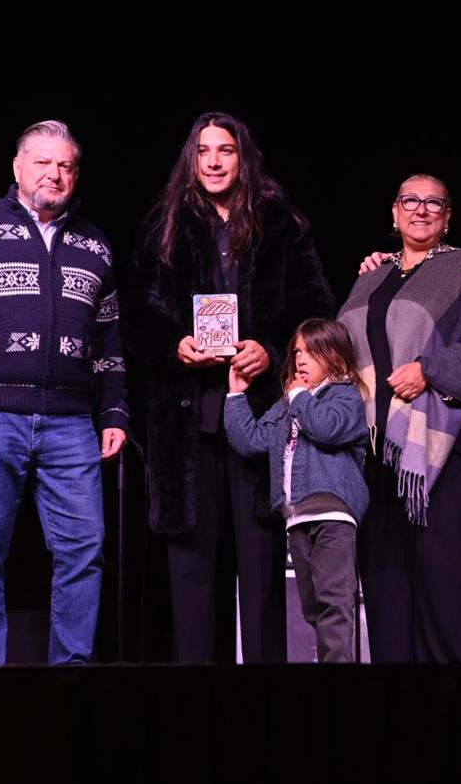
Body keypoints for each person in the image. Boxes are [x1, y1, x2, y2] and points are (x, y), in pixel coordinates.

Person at [123, 111, 334, 663]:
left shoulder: (282, 223)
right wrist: (174, 344)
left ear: (244, 157)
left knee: (263, 576)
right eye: (204, 151)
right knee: (191, 577)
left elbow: (315, 307)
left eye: (226, 150)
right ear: (190, 160)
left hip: (260, 422)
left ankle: (266, 715)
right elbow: (135, 320)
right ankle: (196, 716)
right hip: (187, 424)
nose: (214, 161)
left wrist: (273, 345)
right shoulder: (162, 226)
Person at [0, 120, 129, 665]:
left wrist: (114, 412)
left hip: (71, 422)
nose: (54, 173)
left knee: (84, 553)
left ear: (76, 173)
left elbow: (109, 339)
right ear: (18, 168)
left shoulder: (95, 243)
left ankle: (71, 678)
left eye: (64, 165)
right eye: (42, 162)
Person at [339, 173, 461, 663]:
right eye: (410, 201)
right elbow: (343, 350)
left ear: (447, 217)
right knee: (384, 591)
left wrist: (429, 369)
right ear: (393, 213)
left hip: (436, 453)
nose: (421, 210)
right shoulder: (370, 277)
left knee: (442, 594)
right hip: (373, 455)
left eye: (433, 203)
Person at [224, 318, 368, 663]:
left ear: (335, 357)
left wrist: (299, 396)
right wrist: (235, 395)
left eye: (311, 351)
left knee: (334, 602)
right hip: (297, 517)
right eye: (297, 352)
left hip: (333, 513)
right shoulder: (291, 400)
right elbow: (252, 440)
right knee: (314, 607)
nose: (300, 359)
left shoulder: (344, 395)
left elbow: (327, 428)